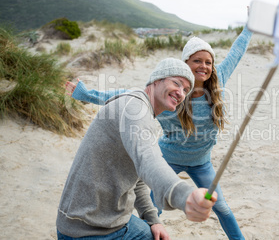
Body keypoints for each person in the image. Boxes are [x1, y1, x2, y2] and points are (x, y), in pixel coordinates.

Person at [66, 26, 252, 240]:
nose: (203, 66)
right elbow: (123, 94)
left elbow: (236, 52)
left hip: (202, 163)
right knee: (154, 211)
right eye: (197, 61)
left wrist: (249, 27)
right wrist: (86, 94)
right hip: (169, 158)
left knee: (222, 208)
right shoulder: (172, 98)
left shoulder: (218, 82)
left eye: (208, 62)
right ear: (185, 65)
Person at [57, 58, 217, 240]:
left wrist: (153, 220)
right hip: (88, 230)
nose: (181, 93)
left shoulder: (140, 108)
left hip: (104, 221)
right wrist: (184, 195)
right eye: (177, 83)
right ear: (157, 80)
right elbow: (148, 160)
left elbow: (137, 176)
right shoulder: (135, 109)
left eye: (186, 90)